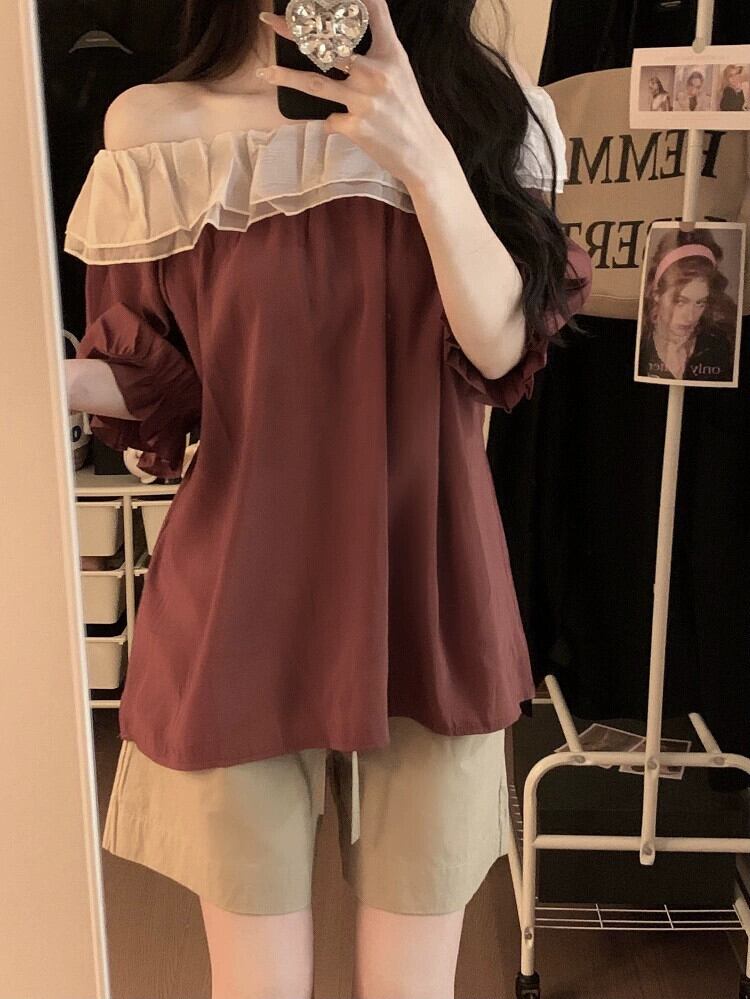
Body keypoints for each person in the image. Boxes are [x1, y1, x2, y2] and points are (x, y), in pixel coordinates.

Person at [63, 1, 591, 996]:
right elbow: (159, 378)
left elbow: (500, 346)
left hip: (430, 589)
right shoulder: (160, 128)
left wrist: (423, 153)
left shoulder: (490, 115)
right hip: (237, 596)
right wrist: (47, 377)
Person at [638, 230, 735, 381]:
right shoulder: (640, 342)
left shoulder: (718, 346)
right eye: (680, 301)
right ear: (657, 294)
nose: (690, 317)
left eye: (700, 303)